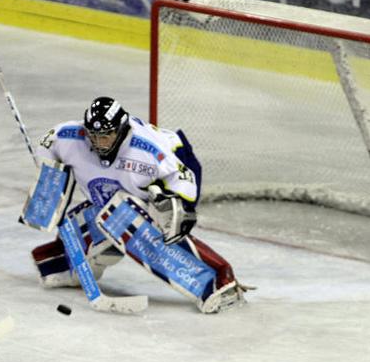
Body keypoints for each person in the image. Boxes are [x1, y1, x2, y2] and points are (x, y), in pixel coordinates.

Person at [29, 97, 249, 313]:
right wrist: (50, 181)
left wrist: (180, 207)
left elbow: (183, 177)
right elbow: (48, 143)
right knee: (107, 213)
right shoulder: (70, 136)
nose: (98, 143)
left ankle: (215, 281)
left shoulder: (148, 150)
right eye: (93, 136)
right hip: (121, 190)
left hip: (177, 165)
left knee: (127, 217)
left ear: (122, 130)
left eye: (106, 136)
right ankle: (64, 261)